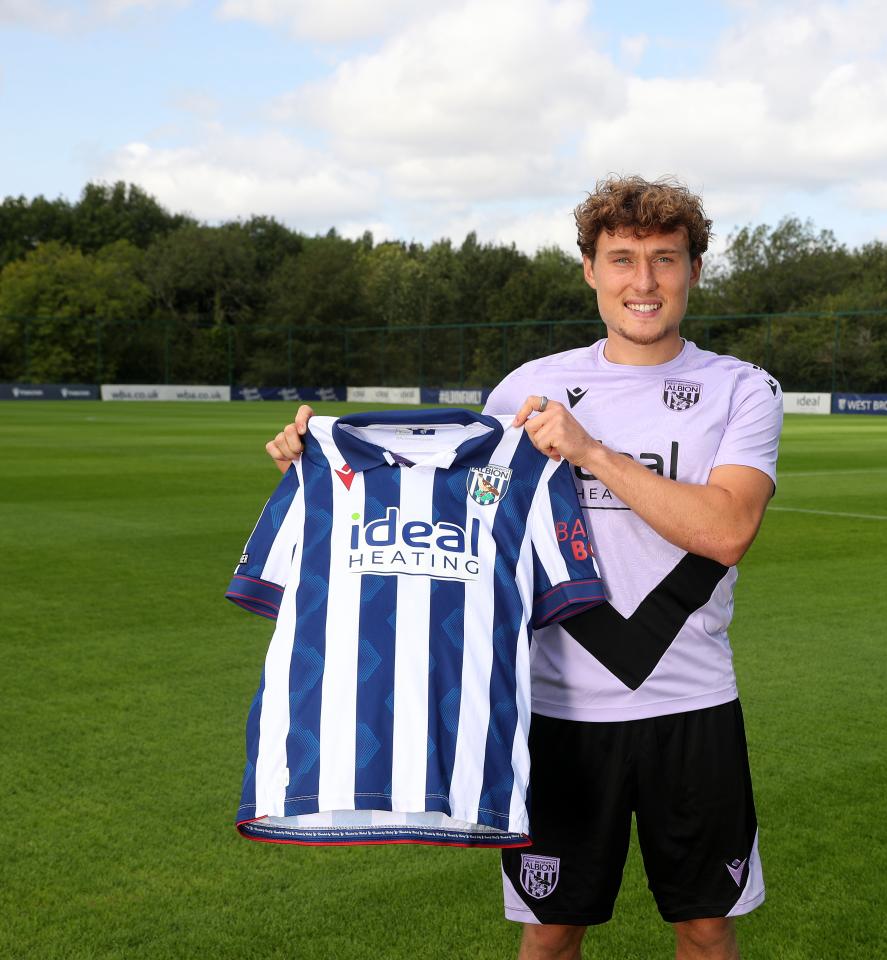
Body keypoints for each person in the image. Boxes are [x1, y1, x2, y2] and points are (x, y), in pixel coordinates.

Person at [265, 176, 783, 960]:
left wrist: (592, 453)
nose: (643, 283)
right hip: (553, 713)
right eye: (622, 260)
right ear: (590, 270)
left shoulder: (741, 389)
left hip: (693, 704)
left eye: (664, 260)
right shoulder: (526, 390)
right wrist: (318, 471)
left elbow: (728, 529)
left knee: (707, 928)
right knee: (550, 931)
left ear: (694, 271)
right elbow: (440, 507)